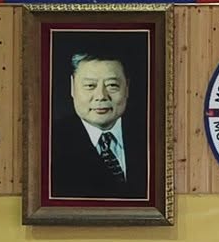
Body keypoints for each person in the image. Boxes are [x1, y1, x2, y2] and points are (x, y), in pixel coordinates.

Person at [48, 50, 148, 200]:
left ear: (127, 87)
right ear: (72, 87)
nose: (101, 96)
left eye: (112, 85)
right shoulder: (50, 142)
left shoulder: (150, 135)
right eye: (90, 85)